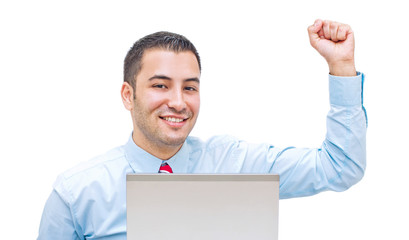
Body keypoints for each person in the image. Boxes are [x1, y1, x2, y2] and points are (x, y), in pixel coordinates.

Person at [38, 19, 367, 239]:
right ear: (129, 95)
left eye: (190, 88)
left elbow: (339, 168)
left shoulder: (236, 164)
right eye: (160, 85)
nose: (179, 102)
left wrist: (341, 68)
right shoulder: (76, 193)